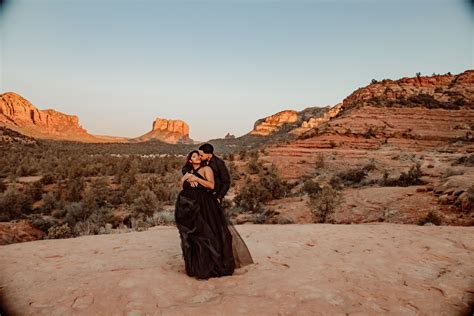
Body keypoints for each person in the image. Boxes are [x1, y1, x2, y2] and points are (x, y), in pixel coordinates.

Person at [175, 150, 253, 279]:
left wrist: (197, 180)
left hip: (204, 204)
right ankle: (196, 266)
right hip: (188, 206)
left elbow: (211, 186)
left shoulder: (206, 169)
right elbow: (183, 187)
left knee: (206, 234)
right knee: (192, 236)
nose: (198, 157)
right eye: (195, 156)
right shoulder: (187, 172)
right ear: (190, 160)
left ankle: (212, 266)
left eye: (199, 155)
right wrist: (185, 178)